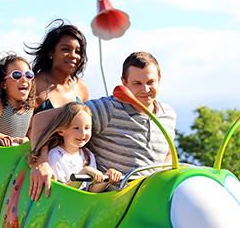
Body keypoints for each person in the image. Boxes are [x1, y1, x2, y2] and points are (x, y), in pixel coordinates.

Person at [29, 51, 176, 200]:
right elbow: (42, 119)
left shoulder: (169, 115)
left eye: (150, 82)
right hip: (111, 204)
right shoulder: (107, 109)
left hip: (152, 200)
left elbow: (168, 153)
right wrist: (40, 162)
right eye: (137, 83)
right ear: (124, 83)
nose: (145, 89)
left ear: (159, 79)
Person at [27, 102, 121, 192]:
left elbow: (91, 189)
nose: (83, 133)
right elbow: (61, 191)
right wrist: (82, 173)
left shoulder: (88, 155)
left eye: (87, 128)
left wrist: (108, 179)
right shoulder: (55, 155)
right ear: (61, 131)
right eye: (76, 128)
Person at [24, 18, 89, 113]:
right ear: (51, 53)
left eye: (78, 51)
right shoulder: (34, 84)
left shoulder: (81, 86)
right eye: (65, 49)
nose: (73, 55)